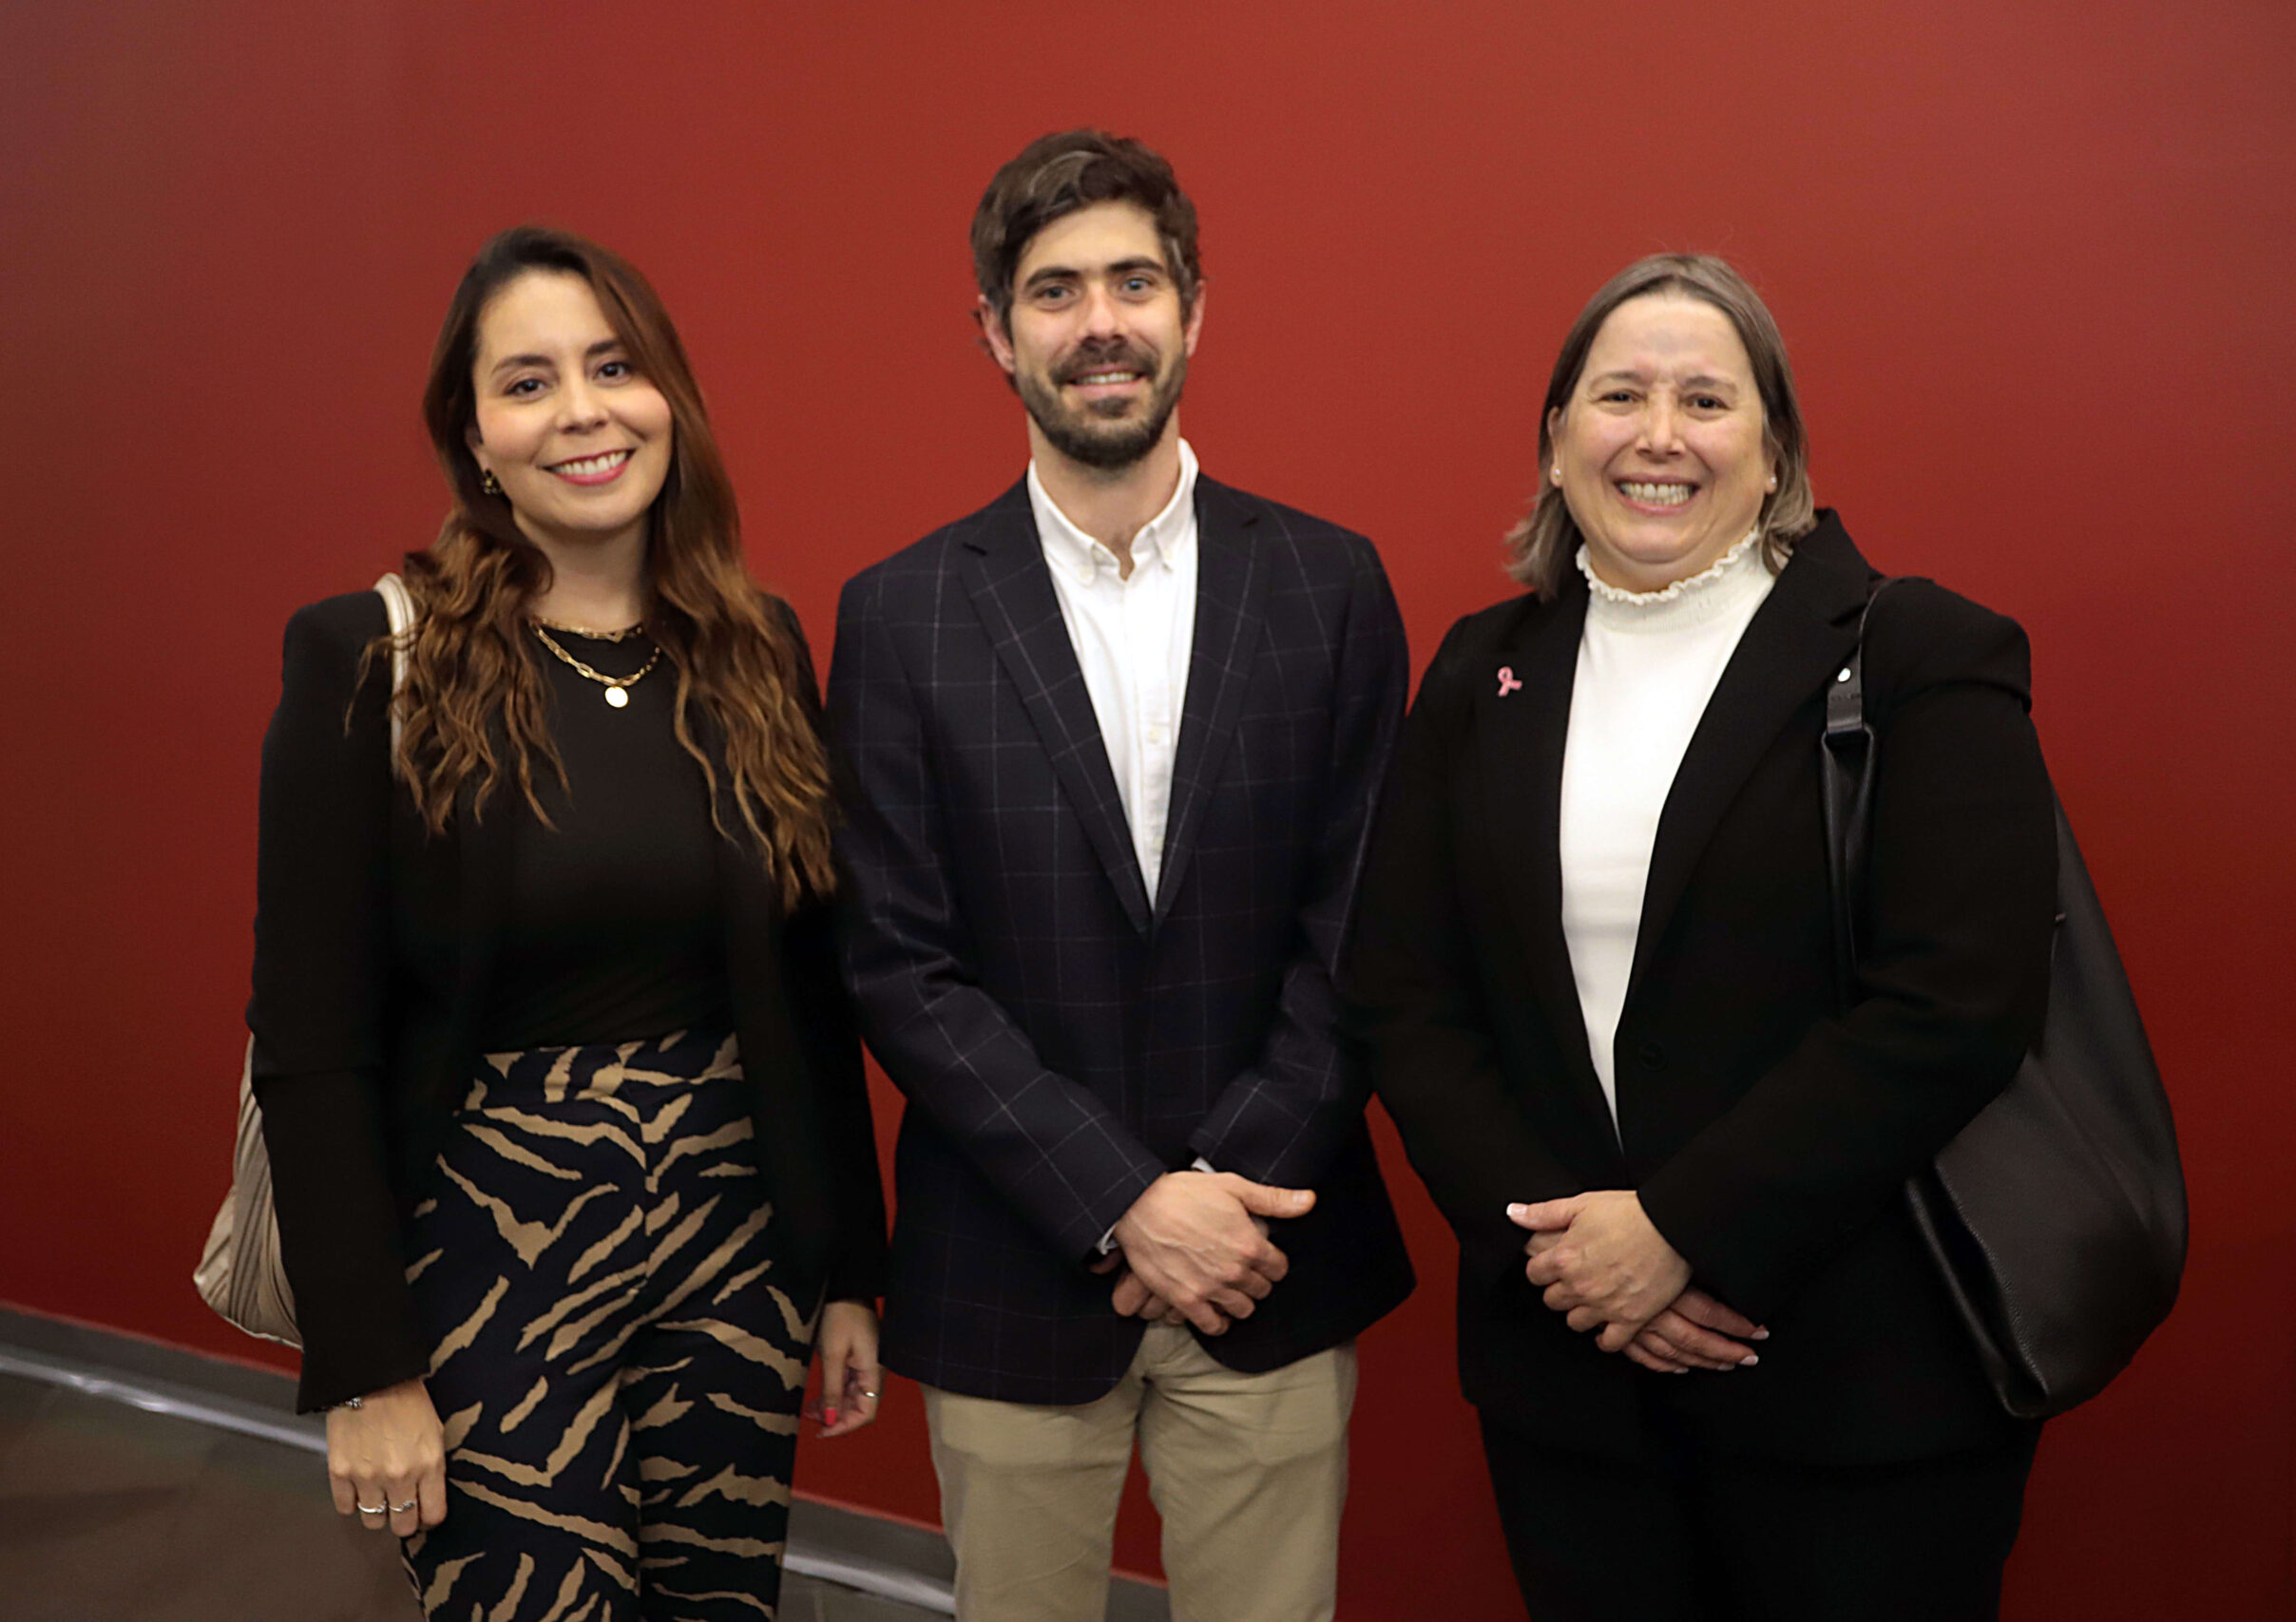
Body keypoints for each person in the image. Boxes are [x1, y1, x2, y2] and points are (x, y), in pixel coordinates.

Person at [1348, 251, 2057, 1620]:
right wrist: (1571, 1257)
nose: (1658, 435)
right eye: (1618, 395)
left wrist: (1682, 1229)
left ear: (1776, 446)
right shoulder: (1479, 671)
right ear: (1557, 444)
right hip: (1572, 1385)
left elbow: (1958, 1002)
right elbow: (1401, 992)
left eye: (1706, 400)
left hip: (1861, 1384)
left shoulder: (1921, 656)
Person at [247, 225, 887, 1621]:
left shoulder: (756, 645)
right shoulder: (367, 658)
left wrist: (843, 1268)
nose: (584, 410)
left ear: (671, 398)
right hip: (485, 1242)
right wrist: (368, 1371)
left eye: (615, 366)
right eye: (528, 382)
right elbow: (307, 1040)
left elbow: (807, 983)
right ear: (476, 440)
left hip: (735, 1243)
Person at [826, 129, 1414, 1622]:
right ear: (995, 332)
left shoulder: (1329, 586)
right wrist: (1121, 1200)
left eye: (1135, 282)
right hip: (1015, 1266)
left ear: (1193, 308)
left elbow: (1364, 927)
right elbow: (900, 959)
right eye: (1056, 290)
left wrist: (1217, 1192)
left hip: (1266, 1259)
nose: (1102, 322)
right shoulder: (900, 618)